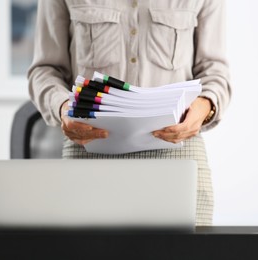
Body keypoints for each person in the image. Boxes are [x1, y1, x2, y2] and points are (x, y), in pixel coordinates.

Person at [28, 0, 232, 225]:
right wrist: (63, 108)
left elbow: (215, 72)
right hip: (90, 153)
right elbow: (45, 70)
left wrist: (205, 106)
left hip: (178, 157)